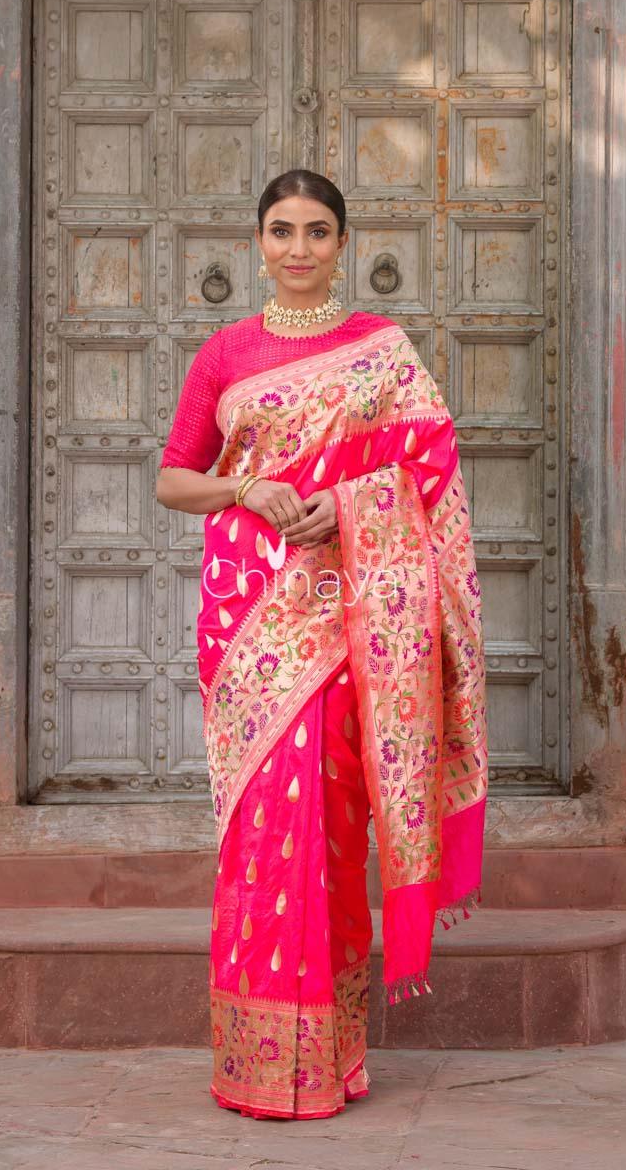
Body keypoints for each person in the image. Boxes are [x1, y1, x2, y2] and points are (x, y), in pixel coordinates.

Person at [156, 169, 487, 1120]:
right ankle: (256, 1059)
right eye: (280, 231)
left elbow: (430, 470)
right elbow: (176, 478)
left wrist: (346, 505)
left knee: (333, 828)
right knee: (260, 833)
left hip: (347, 615)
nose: (298, 249)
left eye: (316, 232)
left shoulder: (381, 352)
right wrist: (244, 491)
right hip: (250, 621)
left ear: (342, 244)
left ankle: (330, 1055)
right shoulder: (224, 352)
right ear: (256, 243)